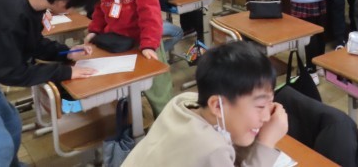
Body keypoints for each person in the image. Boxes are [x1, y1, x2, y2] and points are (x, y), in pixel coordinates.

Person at [0, 0, 101, 166]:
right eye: (76, 6)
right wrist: (64, 72)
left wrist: (66, 53)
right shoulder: (10, 15)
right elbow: (12, 73)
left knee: (11, 124)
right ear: (63, 2)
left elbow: (32, 41)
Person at [122, 41, 287, 167]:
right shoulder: (212, 149)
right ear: (217, 106)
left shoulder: (183, 101)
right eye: (260, 106)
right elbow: (215, 151)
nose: (266, 117)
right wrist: (266, 143)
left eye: (270, 103)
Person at [84, 0, 173, 117]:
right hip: (115, 39)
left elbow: (149, 11)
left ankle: (167, 122)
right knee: (118, 86)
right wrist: (95, 30)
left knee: (158, 91)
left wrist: (149, 45)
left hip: (143, 39)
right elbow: (99, 5)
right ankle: (129, 122)